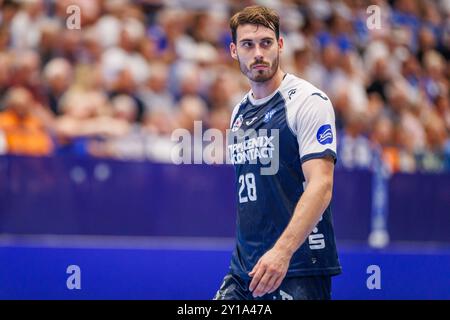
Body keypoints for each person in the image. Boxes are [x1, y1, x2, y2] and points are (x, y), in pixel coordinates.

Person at [214, 5, 341, 300]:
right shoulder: (239, 112)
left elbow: (321, 186)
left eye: (266, 43)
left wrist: (282, 252)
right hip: (247, 271)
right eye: (248, 44)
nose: (258, 52)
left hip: (297, 266)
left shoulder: (308, 102)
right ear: (234, 50)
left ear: (280, 45)